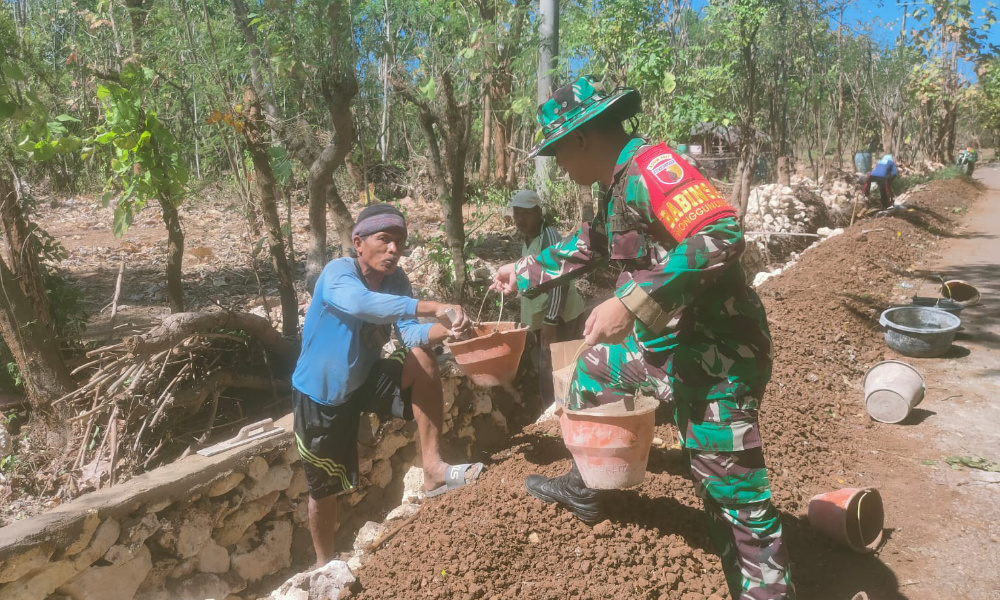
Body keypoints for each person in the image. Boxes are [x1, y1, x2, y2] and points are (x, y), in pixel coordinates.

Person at [492, 76, 794, 600]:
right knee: (590, 372)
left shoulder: (652, 167)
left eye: (558, 152)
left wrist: (629, 303)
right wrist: (521, 273)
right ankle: (584, 486)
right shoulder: (616, 186)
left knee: (732, 497)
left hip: (718, 355)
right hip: (666, 350)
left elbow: (720, 234)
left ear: (582, 138)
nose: (559, 166)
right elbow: (592, 244)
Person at [292, 203, 483, 566]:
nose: (394, 249)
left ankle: (433, 469)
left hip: (363, 378)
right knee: (324, 490)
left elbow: (412, 334)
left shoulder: (397, 281)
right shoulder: (337, 273)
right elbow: (365, 306)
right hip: (322, 394)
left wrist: (451, 328)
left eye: (400, 242)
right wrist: (435, 306)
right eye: (385, 240)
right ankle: (324, 565)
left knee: (424, 358)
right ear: (358, 242)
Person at [510, 189, 586, 406]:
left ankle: (558, 412)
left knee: (553, 366)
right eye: (516, 214)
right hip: (539, 317)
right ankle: (552, 410)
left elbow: (560, 280)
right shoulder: (528, 238)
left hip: (558, 316)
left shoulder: (549, 236)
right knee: (545, 365)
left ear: (538, 212)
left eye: (524, 214)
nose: (519, 219)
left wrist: (550, 320)